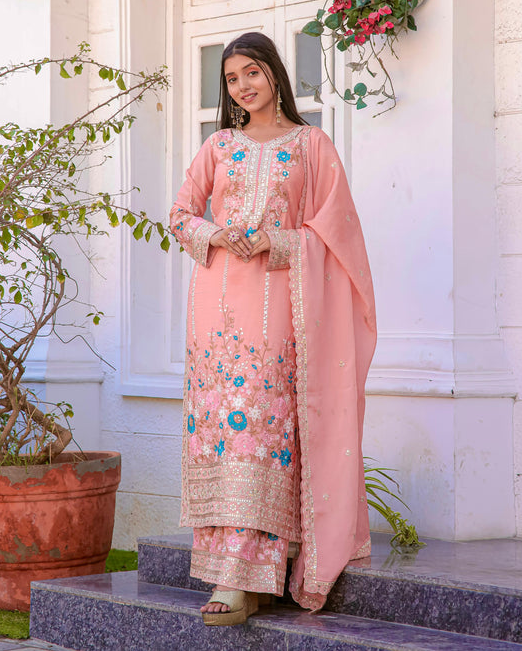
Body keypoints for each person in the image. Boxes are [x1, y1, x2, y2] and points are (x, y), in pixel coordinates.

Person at [169, 32, 376, 626]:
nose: (243, 86)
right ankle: (234, 575)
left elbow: (339, 234)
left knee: (264, 427)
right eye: (232, 79)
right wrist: (216, 233)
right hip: (216, 312)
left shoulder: (312, 145)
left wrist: (279, 239)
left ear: (274, 74)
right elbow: (181, 214)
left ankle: (254, 574)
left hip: (282, 306)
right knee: (224, 432)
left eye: (252, 73)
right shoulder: (218, 145)